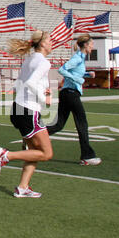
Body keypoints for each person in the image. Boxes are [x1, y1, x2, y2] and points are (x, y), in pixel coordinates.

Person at [0, 30, 53, 198]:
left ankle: (22, 187)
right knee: (46, 153)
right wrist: (44, 98)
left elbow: (22, 84)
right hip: (28, 111)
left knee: (33, 150)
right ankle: (7, 155)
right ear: (42, 43)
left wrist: (42, 90)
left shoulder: (29, 59)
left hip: (19, 108)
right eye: (49, 40)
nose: (51, 43)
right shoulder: (43, 62)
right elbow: (30, 82)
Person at [46, 33, 101, 166]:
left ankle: (32, 138)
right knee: (82, 123)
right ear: (86, 45)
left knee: (58, 125)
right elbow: (62, 69)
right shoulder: (77, 58)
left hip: (67, 94)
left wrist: (88, 74)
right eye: (92, 44)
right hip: (71, 94)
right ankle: (87, 156)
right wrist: (79, 79)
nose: (92, 47)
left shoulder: (80, 58)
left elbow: (76, 72)